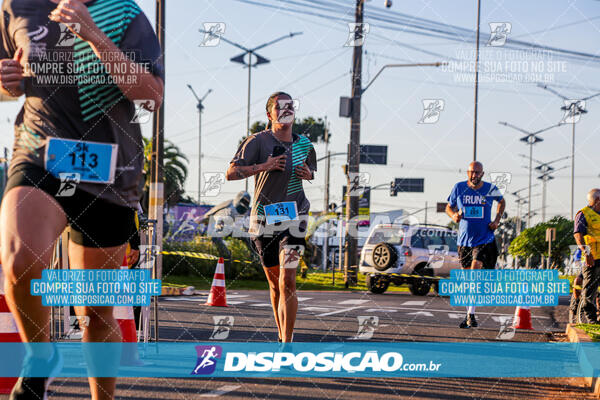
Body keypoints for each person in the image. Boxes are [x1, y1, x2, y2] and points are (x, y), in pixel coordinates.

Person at [0, 1, 164, 399]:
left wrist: (93, 34)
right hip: (39, 152)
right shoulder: (16, 6)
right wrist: (6, 82)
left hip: (110, 172)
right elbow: (7, 82)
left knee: (94, 314)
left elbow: (152, 96)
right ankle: (40, 356)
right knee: (21, 259)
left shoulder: (124, 13)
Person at [226, 91, 316, 343]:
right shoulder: (257, 142)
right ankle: (280, 335)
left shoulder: (305, 146)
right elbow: (231, 173)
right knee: (275, 284)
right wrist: (263, 166)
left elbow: (310, 174)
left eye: (290, 106)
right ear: (270, 114)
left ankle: (287, 343)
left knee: (288, 280)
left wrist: (309, 174)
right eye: (280, 107)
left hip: (295, 216)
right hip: (264, 219)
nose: (286, 110)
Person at [446, 161, 506, 329]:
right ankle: (468, 315)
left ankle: (471, 315)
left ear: (482, 174)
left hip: (483, 238)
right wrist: (454, 216)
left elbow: (502, 202)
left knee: (474, 274)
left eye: (477, 172)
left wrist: (496, 220)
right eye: (472, 172)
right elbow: (448, 207)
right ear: (467, 173)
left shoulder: (489, 188)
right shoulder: (458, 188)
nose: (474, 175)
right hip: (463, 240)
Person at [573, 188, 600, 324]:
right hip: (592, 258)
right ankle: (591, 319)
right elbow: (578, 235)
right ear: (597, 200)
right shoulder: (583, 214)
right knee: (589, 289)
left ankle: (597, 316)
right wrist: (587, 253)